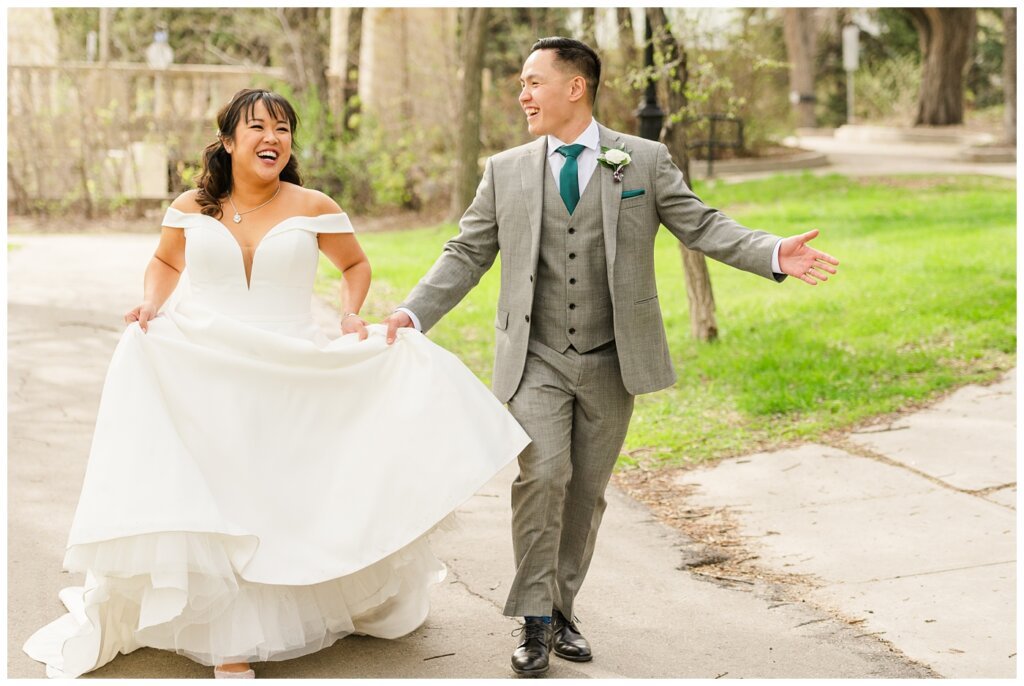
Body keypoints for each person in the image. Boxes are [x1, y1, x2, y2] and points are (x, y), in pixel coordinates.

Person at [22, 88, 530, 679]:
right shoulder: (192, 205)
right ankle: (228, 638)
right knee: (218, 491)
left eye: (283, 128)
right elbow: (165, 263)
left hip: (287, 364)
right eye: (259, 127)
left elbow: (355, 265)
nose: (273, 138)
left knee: (276, 491)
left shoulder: (314, 206)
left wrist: (349, 312)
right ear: (229, 141)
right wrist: (150, 306)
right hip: (202, 364)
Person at [383, 37, 839, 676]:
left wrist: (769, 251)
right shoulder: (506, 170)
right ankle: (535, 621)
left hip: (611, 355)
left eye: (533, 83)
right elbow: (466, 253)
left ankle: (562, 605)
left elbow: (700, 224)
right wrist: (411, 313)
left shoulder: (643, 161)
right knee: (542, 476)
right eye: (522, 83)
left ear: (576, 87)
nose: (523, 96)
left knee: (587, 493)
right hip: (535, 356)